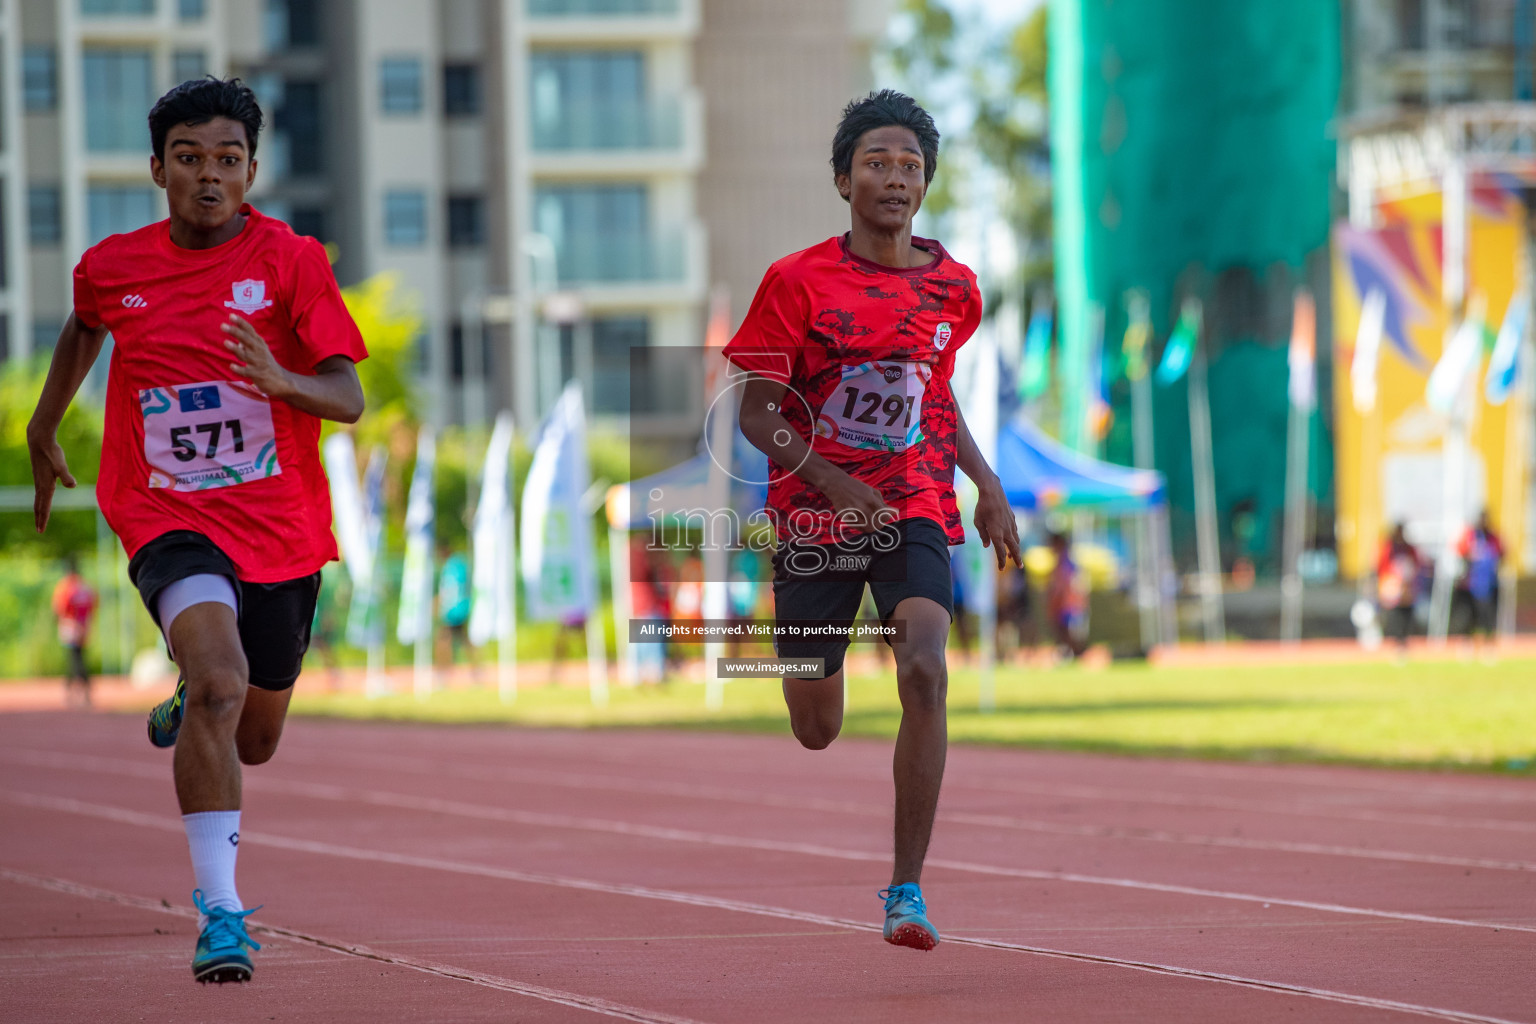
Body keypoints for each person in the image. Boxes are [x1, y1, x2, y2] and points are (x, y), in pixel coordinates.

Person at [26, 77, 366, 985]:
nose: (208, 177)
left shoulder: (292, 263)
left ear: (252, 171)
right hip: (165, 511)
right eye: (188, 159)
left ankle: (197, 696)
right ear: (157, 169)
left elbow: (350, 397)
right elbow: (83, 327)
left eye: (227, 161)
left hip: (280, 527)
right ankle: (220, 912)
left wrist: (285, 383)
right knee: (221, 681)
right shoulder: (115, 267)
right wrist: (44, 421)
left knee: (253, 734)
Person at [725, 90, 1020, 951]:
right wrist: (829, 479)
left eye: (912, 166)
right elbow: (754, 414)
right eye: (879, 163)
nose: (896, 177)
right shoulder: (796, 281)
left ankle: (906, 891)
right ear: (843, 177)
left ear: (926, 185)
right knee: (816, 729)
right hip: (816, 516)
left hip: (915, 504)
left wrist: (986, 481)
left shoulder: (954, 287)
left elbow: (934, 391)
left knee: (925, 670)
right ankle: (822, 659)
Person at [1456, 510, 1504, 657]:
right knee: (1469, 615)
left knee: (1488, 616)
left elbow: (1502, 553)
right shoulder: (1470, 536)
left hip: (1488, 584)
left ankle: (1488, 644)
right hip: (1471, 583)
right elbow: (1460, 550)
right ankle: (1467, 643)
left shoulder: (1493, 537)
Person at [52, 556, 98, 707]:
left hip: (71, 625)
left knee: (75, 659)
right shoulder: (85, 587)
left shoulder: (65, 587)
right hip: (83, 625)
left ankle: (77, 689)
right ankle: (78, 690)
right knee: (77, 657)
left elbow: (59, 608)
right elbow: (93, 605)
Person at [1377, 522, 1425, 654]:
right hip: (1392, 586)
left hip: (1408, 587)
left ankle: (1405, 640)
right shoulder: (1388, 548)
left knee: (1407, 614)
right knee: (1395, 615)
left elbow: (1416, 564)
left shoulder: (1409, 549)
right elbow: (1381, 566)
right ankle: (1398, 641)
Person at [1045, 531, 1088, 658]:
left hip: (1068, 605)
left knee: (1068, 634)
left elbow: (1063, 586)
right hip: (1067, 604)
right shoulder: (1064, 561)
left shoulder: (1065, 562)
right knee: (1066, 634)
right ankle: (1071, 653)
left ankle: (1077, 654)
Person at [436, 543, 474, 677]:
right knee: (463, 640)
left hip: (454, 610)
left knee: (444, 640)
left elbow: (452, 590)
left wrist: (442, 605)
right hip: (459, 608)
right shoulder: (457, 565)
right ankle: (475, 669)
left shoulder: (453, 567)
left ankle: (444, 671)